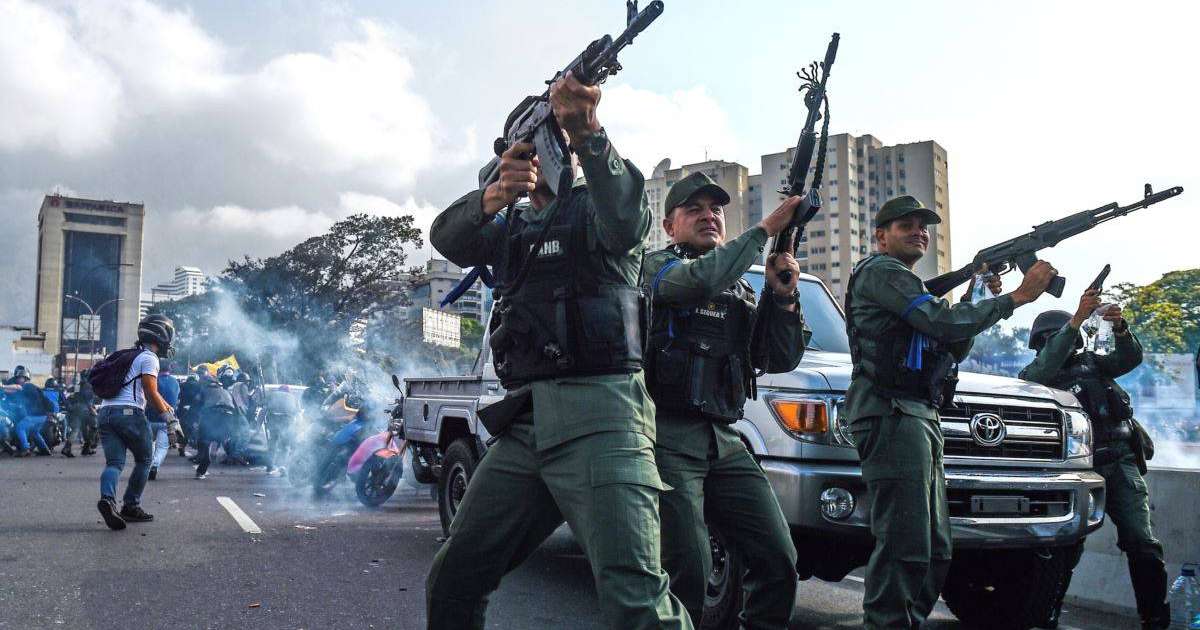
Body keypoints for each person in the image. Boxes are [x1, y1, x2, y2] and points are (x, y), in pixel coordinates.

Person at [424, 72, 691, 629]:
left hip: (604, 421)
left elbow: (628, 221)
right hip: (528, 424)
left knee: (638, 603)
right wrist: (494, 196)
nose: (542, 154)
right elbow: (446, 236)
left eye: (548, 141)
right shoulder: (510, 227)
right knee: (453, 578)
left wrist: (587, 130)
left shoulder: (596, 206)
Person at [844, 195, 1056, 629]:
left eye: (923, 226)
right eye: (906, 225)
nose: (919, 232)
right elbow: (943, 322)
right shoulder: (882, 272)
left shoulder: (912, 289)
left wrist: (978, 295)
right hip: (891, 412)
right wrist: (1017, 297)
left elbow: (953, 344)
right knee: (905, 544)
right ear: (881, 237)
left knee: (935, 548)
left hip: (919, 414)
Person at [640, 172, 806, 628]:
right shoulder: (656, 267)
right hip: (667, 437)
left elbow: (777, 358)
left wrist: (784, 297)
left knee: (778, 559)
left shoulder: (741, 288)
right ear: (669, 226)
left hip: (725, 440)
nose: (709, 216)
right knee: (688, 569)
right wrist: (766, 229)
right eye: (694, 209)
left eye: (715, 210)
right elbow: (697, 281)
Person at [1020, 291, 1170, 629]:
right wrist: (1075, 320)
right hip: (1075, 469)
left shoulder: (1095, 364)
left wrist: (1120, 328)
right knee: (1062, 546)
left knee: (1142, 542)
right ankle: (1045, 616)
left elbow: (1130, 357)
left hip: (1119, 461)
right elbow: (1035, 374)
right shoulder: (1039, 375)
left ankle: (1155, 619)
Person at [94, 314, 182, 531]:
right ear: (161, 335)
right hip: (129, 414)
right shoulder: (149, 358)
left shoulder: (126, 355)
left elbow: (152, 393)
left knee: (114, 463)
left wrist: (169, 412)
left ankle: (108, 500)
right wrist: (168, 419)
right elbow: (150, 392)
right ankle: (131, 506)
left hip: (105, 413)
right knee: (145, 459)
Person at [0, 367, 54, 456]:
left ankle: (25, 449)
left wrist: (3, 386)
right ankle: (45, 450)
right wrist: (3, 390)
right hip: (43, 415)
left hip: (37, 415)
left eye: (20, 378)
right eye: (18, 378)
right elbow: (12, 391)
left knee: (20, 427)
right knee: (34, 432)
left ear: (25, 378)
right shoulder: (31, 387)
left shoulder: (27, 386)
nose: (18, 379)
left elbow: (17, 387)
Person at [194, 374, 237, 479]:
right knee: (220, 436)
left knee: (204, 439)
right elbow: (236, 409)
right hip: (228, 416)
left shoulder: (204, 391)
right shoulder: (226, 392)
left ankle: (202, 466)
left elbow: (196, 406)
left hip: (212, 413)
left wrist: (195, 421)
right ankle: (219, 447)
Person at [147, 363, 181, 480]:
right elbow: (177, 400)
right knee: (162, 447)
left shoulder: (152, 381)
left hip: (150, 418)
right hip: (168, 419)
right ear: (170, 369)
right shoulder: (175, 382)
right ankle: (155, 465)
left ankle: (149, 465)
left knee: (150, 443)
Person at [263, 384, 300, 476]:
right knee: (285, 446)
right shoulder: (293, 397)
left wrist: (258, 425)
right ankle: (282, 467)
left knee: (273, 443)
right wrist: (297, 426)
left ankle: (270, 465)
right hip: (287, 421)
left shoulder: (272, 395)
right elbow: (297, 413)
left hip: (273, 420)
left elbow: (264, 409)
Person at [64, 373, 99, 456]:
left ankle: (67, 448)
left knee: (77, 429)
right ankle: (87, 446)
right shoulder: (89, 386)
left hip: (76, 409)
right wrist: (93, 411)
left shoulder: (78, 386)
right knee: (94, 426)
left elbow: (74, 396)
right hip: (85, 410)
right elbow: (87, 400)